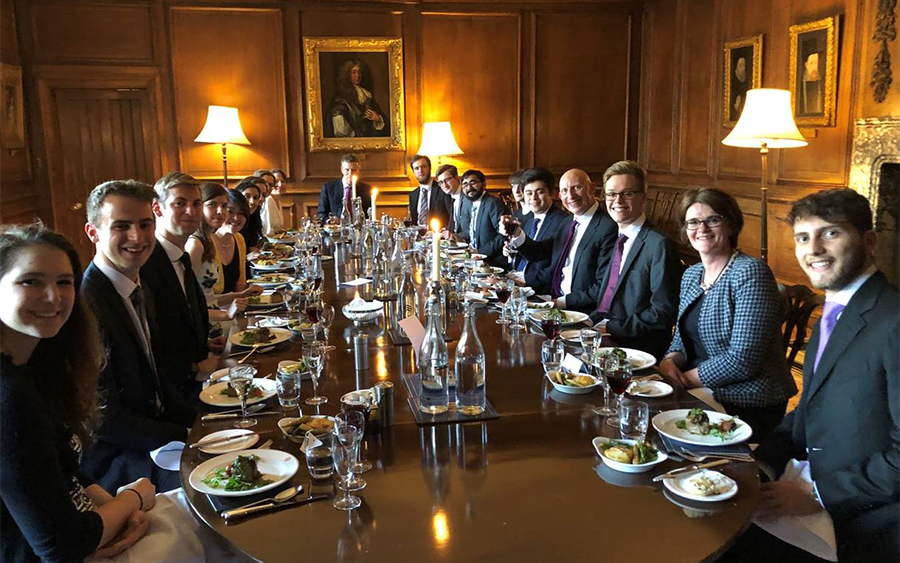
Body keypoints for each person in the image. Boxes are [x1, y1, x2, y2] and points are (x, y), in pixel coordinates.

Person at [723, 189, 898, 563]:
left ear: (869, 241)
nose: (813, 249)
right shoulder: (832, 313)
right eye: (803, 237)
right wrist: (759, 465)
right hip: (809, 482)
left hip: (867, 522)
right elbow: (808, 410)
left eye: (830, 233)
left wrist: (818, 493)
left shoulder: (893, 321)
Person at [0, 223, 158, 562]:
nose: (53, 296)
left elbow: (60, 466)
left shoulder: (36, 365)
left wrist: (113, 507)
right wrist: (134, 498)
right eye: (31, 281)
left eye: (63, 282)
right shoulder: (9, 397)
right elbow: (61, 546)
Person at [80, 180, 194, 492]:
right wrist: (183, 435)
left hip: (156, 437)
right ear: (94, 233)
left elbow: (157, 376)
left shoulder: (139, 286)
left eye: (145, 225)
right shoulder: (86, 305)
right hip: (118, 459)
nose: (137, 237)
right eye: (121, 226)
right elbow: (102, 418)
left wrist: (199, 425)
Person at [658, 188, 796, 441]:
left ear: (731, 224)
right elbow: (682, 338)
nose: (702, 228)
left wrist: (682, 381)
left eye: (713, 220)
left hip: (747, 398)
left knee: (659, 421)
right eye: (693, 222)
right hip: (701, 387)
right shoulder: (691, 275)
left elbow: (743, 359)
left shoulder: (750, 272)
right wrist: (669, 363)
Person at [588, 161, 680, 360]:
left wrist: (611, 328)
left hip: (636, 348)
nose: (618, 200)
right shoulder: (618, 237)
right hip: (605, 337)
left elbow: (663, 313)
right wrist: (588, 324)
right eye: (611, 194)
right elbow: (608, 298)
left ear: (643, 198)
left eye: (627, 193)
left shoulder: (659, 245)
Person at [142, 172, 219, 397]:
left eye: (196, 204)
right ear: (158, 209)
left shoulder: (180, 256)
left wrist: (205, 344)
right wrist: (193, 368)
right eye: (180, 203)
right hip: (173, 392)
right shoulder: (147, 262)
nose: (191, 211)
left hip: (198, 373)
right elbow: (152, 341)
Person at [503, 168, 617, 314]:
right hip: (551, 301)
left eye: (576, 187)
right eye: (564, 190)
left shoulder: (607, 227)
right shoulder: (568, 222)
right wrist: (516, 232)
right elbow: (541, 252)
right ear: (560, 195)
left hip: (579, 311)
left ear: (592, 188)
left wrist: (559, 303)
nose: (570, 195)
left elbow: (604, 287)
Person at [186, 182, 261, 321]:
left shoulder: (237, 239)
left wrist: (243, 294)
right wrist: (226, 314)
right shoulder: (196, 244)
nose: (220, 211)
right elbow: (188, 304)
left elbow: (208, 298)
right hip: (211, 323)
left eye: (224, 206)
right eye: (213, 205)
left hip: (223, 318)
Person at [503, 167, 567, 283]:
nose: (533, 198)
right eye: (529, 193)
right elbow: (526, 250)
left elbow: (549, 263)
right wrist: (511, 251)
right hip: (516, 279)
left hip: (538, 288)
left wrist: (522, 281)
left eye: (540, 192)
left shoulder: (562, 221)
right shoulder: (527, 219)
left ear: (551, 193)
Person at [454, 170, 509, 268]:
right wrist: (457, 236)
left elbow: (503, 235)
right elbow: (476, 230)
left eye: (473, 183)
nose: (469, 188)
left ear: (484, 184)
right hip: (475, 259)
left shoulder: (492, 204)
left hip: (492, 262)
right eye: (465, 185)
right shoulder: (473, 204)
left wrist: (480, 252)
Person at [324, 59, 389, 138]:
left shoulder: (367, 96)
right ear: (347, 74)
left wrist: (378, 119)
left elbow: (385, 125)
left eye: (360, 72)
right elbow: (340, 128)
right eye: (354, 72)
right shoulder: (341, 99)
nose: (358, 76)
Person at [318, 154, 372, 224]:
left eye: (354, 170)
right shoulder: (329, 188)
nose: (350, 174)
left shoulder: (366, 189)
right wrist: (330, 221)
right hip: (336, 230)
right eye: (347, 170)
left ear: (358, 170)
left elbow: (370, 214)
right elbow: (321, 213)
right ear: (342, 170)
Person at [407, 154, 451, 228]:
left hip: (438, 235)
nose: (420, 171)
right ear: (413, 172)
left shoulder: (443, 189)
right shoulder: (413, 195)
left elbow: (451, 218)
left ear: (430, 168)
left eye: (424, 167)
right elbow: (412, 221)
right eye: (417, 168)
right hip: (418, 235)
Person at [435, 164, 470, 237]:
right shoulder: (449, 197)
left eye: (447, 180)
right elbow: (455, 226)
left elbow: (475, 229)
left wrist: (454, 236)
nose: (444, 185)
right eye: (441, 182)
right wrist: (443, 231)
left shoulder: (468, 196)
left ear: (457, 178)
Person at [236, 176, 266, 251]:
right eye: (247, 196)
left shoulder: (253, 218)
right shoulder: (232, 221)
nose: (252, 202)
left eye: (255, 198)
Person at [254, 169, 284, 235]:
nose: (267, 187)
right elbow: (267, 232)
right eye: (265, 183)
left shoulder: (277, 201)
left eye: (271, 185)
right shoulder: (267, 200)